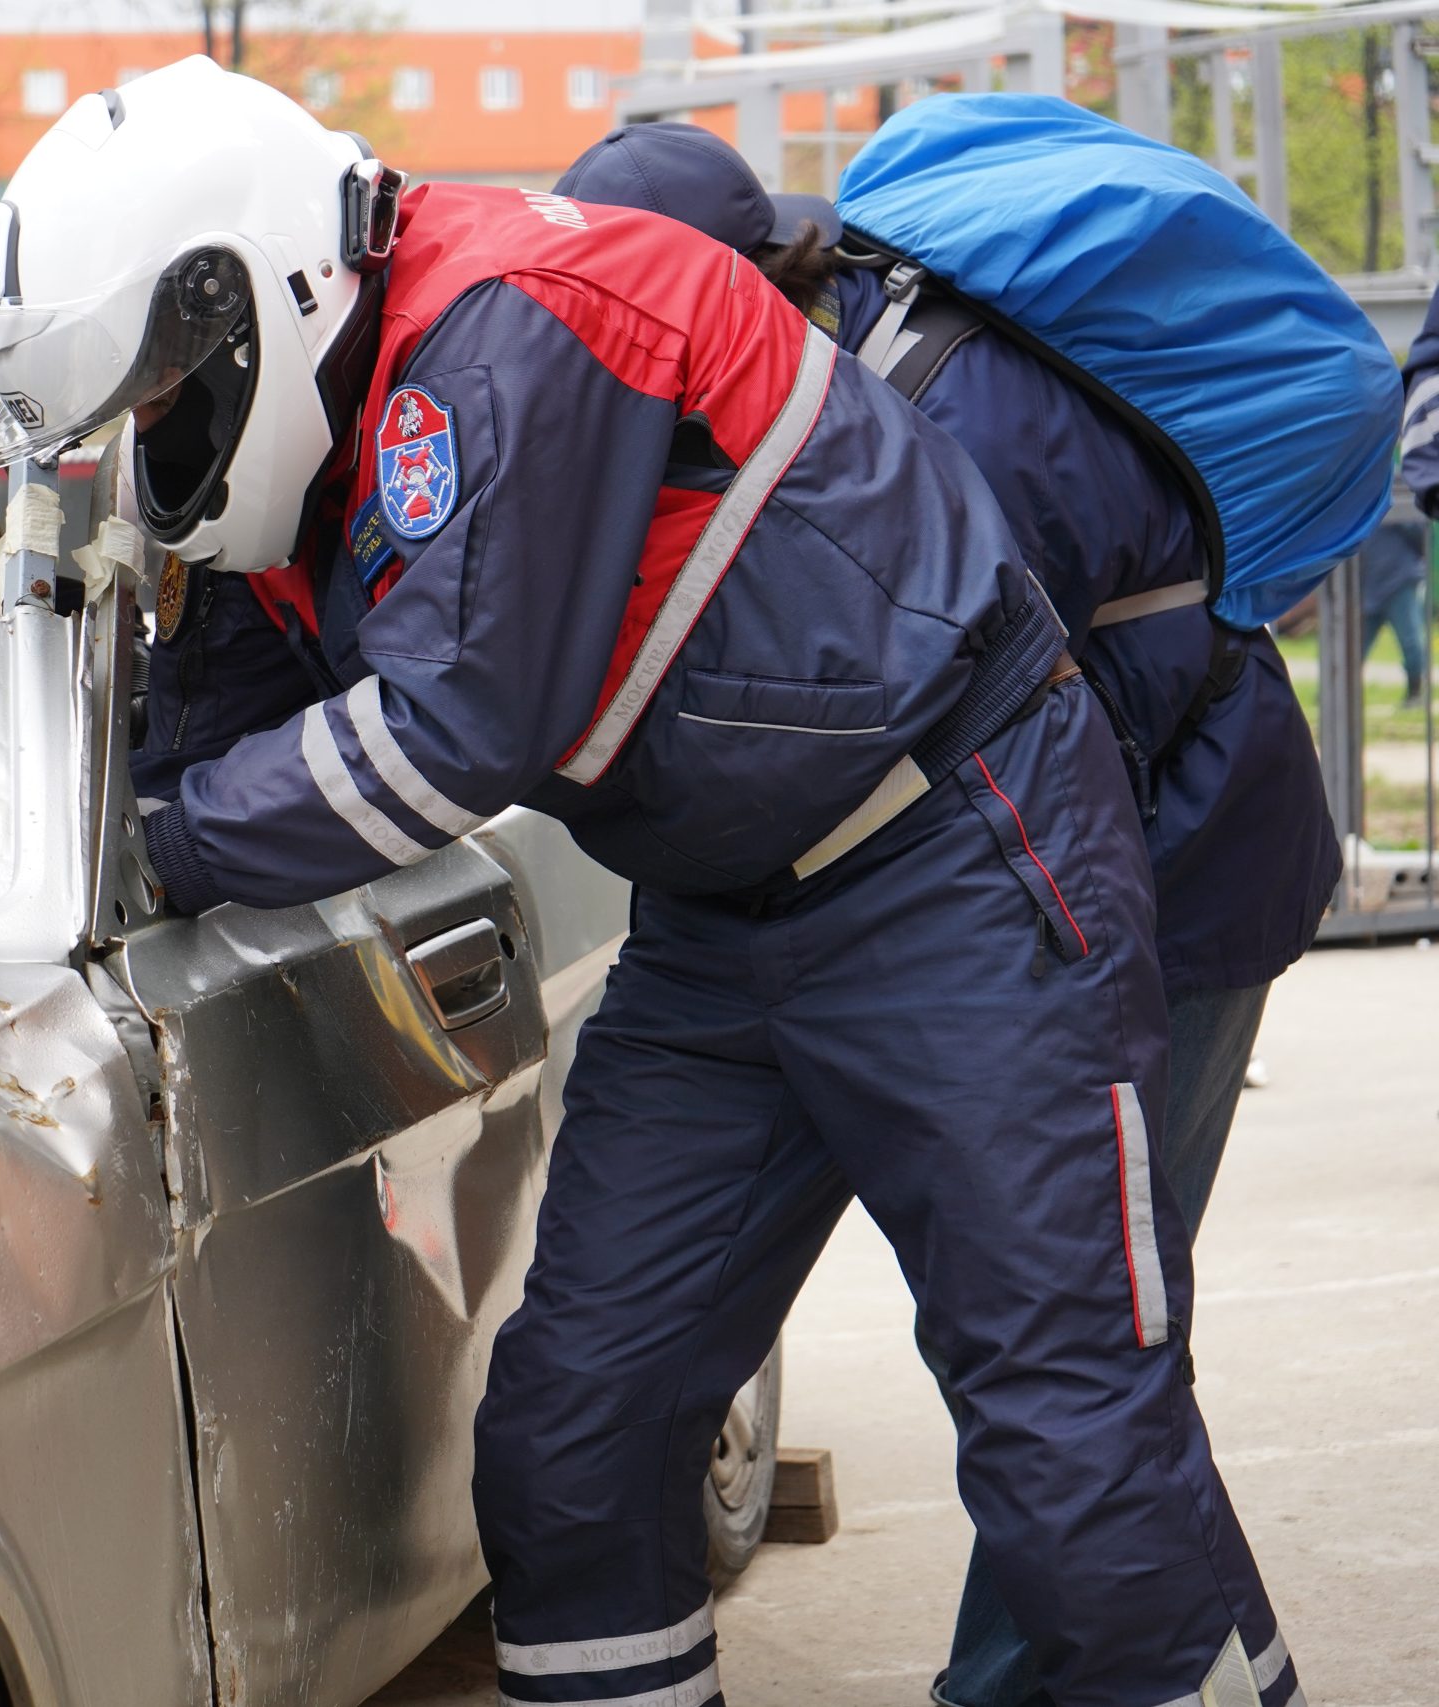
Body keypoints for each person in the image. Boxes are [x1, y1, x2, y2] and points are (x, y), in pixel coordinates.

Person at [0, 58, 1298, 1707]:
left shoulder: (517, 324)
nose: (159, 434)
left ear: (256, 292)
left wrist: (148, 850)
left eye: (165, 393)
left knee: (1072, 1456)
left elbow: (449, 736)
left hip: (957, 865)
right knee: (577, 1437)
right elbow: (210, 728)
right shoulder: (332, 430)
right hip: (722, 923)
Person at [552, 120, 1331, 1707]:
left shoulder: (939, 427)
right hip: (986, 888)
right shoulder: (765, 394)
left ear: (740, 290)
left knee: (1080, 1366)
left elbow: (1018, 741)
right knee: (1078, 1371)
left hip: (1167, 880)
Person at [1358, 508, 1429, 707]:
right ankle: (1338, 697)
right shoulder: (1363, 497)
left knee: (1410, 641)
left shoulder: (1400, 498)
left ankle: (1415, 694)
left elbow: (1422, 537)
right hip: (1370, 584)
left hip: (1400, 581)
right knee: (1354, 645)